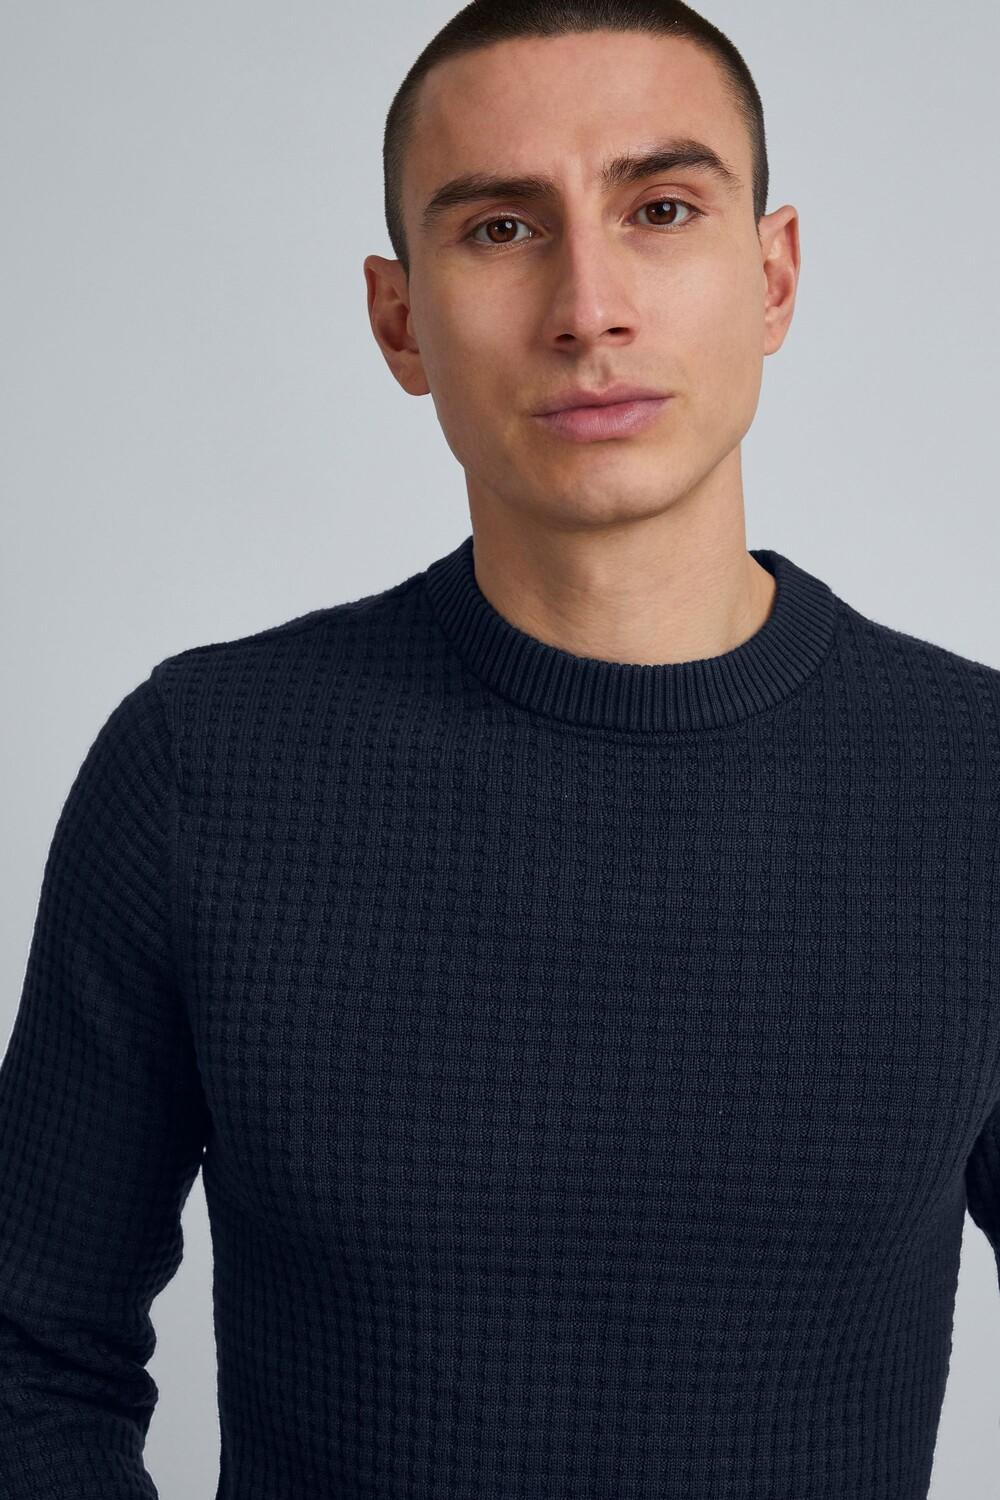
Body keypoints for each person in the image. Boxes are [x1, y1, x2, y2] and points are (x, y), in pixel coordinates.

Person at [1, 2, 998, 1496]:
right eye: (501, 230)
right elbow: (31, 1353)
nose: (588, 307)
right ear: (400, 319)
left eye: (662, 209)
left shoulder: (973, 783)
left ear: (774, 276)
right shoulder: (202, 771)